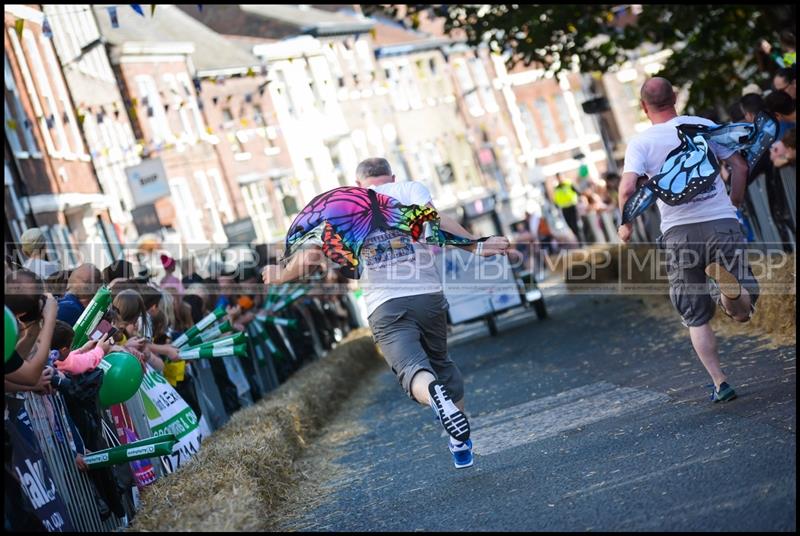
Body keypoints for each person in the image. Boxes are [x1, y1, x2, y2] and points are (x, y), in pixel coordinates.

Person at [262, 157, 511, 469]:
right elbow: (436, 222)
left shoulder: (342, 204)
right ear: (391, 176)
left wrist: (280, 274)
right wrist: (475, 245)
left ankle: (433, 396)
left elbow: (312, 256)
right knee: (441, 364)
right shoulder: (410, 190)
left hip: (384, 303)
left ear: (358, 183)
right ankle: (459, 441)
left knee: (412, 369)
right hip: (426, 296)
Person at [617, 77, 758, 403]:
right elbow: (738, 165)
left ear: (643, 107)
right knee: (743, 309)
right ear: (675, 98)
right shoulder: (702, 125)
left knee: (695, 314)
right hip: (720, 221)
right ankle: (729, 295)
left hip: (678, 232)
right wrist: (733, 206)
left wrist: (625, 225)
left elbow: (627, 189)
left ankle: (720, 382)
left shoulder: (641, 143)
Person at [548, 173, 583, 245]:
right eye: (558, 178)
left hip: (573, 207)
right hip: (564, 209)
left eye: (560, 177)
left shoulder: (569, 184)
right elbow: (556, 199)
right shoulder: (556, 188)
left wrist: (579, 202)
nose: (559, 179)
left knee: (576, 225)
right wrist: (556, 207)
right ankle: (579, 242)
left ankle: (582, 242)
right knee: (570, 225)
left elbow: (578, 193)